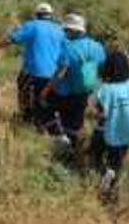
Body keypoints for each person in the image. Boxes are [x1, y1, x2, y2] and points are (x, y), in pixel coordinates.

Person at [0, 2, 65, 128]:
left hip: (32, 72)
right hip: (53, 74)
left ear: (36, 14)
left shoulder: (32, 26)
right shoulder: (59, 30)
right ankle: (43, 123)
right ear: (50, 15)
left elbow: (11, 39)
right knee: (45, 99)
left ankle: (26, 119)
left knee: (24, 91)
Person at [92, 50, 129, 202]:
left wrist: (92, 115)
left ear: (107, 68)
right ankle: (110, 183)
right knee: (117, 160)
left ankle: (104, 174)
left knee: (96, 153)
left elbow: (101, 115)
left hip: (111, 131)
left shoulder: (106, 89)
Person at [43, 14, 106, 149]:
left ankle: (59, 137)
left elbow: (60, 74)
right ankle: (71, 152)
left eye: (66, 30)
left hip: (66, 92)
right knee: (75, 123)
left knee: (44, 106)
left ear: (73, 31)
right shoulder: (98, 47)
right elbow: (102, 69)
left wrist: (46, 90)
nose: (64, 32)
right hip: (86, 91)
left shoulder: (69, 48)